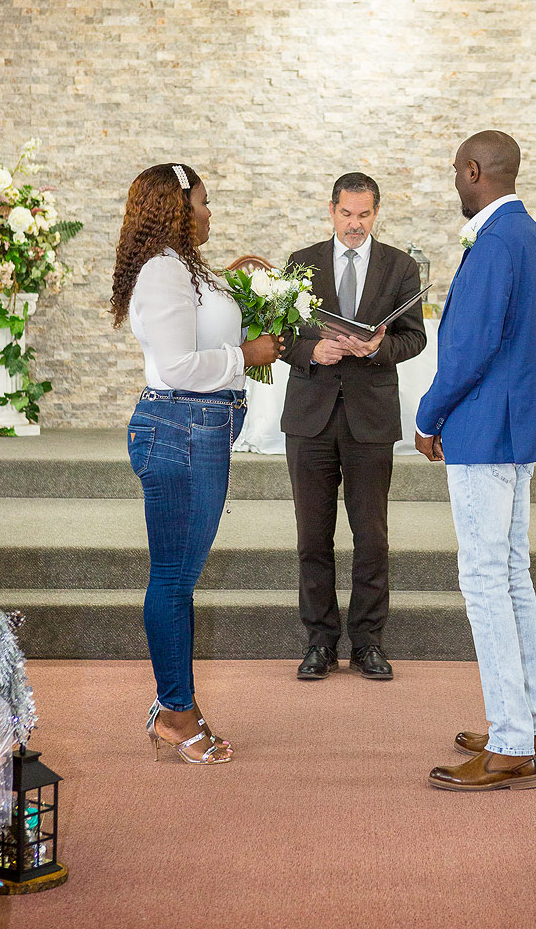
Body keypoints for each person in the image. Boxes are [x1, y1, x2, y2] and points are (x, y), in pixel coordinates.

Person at [111, 162, 283, 765]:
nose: (211, 213)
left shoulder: (181, 267)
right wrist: (247, 354)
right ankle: (176, 714)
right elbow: (181, 365)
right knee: (173, 580)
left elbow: (197, 317)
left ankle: (174, 702)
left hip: (195, 429)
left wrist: (230, 279)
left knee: (178, 577)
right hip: (180, 428)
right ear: (178, 208)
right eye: (204, 204)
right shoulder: (162, 270)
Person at [415, 131, 536, 792]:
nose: (453, 184)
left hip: (481, 430)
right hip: (515, 427)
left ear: (474, 171)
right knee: (510, 574)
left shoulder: (494, 239)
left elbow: (467, 347)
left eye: (454, 173)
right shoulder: (529, 234)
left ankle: (507, 744)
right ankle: (526, 723)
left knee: (483, 580)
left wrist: (426, 414)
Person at [281, 172, 426, 681]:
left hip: (369, 416)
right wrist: (311, 350)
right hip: (310, 417)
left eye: (364, 215)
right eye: (347, 214)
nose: (355, 224)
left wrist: (379, 348)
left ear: (376, 213)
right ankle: (319, 642)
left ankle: (368, 643)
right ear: (331, 210)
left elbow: (415, 339)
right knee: (312, 538)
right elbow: (278, 337)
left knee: (372, 537)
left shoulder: (400, 267)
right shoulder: (301, 263)